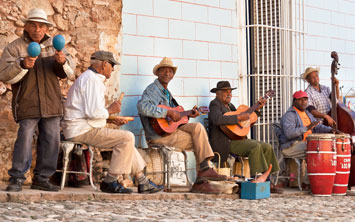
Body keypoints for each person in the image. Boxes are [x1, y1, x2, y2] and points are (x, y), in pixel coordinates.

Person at [63, 51, 161, 194]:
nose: (113, 69)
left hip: (82, 127)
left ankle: (142, 180)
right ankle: (110, 180)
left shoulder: (90, 78)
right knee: (127, 138)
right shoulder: (92, 80)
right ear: (104, 64)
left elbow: (89, 112)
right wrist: (110, 110)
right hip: (81, 130)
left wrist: (111, 119)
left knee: (126, 141)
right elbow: (93, 113)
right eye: (112, 65)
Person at [0, 8, 75, 192]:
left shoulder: (55, 46)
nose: (37, 29)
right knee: (24, 139)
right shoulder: (15, 47)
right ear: (26, 26)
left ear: (46, 28)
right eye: (33, 25)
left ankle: (42, 178)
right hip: (27, 102)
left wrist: (62, 61)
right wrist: (21, 65)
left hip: (51, 102)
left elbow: (70, 74)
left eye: (41, 26)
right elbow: (4, 75)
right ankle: (17, 178)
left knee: (51, 140)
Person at [137, 57, 227, 187]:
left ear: (173, 75)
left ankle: (204, 171)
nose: (167, 73)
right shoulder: (152, 90)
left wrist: (189, 114)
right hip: (159, 136)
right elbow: (142, 107)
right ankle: (203, 176)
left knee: (197, 127)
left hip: (170, 132)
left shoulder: (167, 93)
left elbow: (174, 118)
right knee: (199, 141)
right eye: (164, 70)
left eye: (170, 71)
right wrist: (167, 113)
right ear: (158, 73)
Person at [208, 81, 281, 192]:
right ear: (217, 93)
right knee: (255, 147)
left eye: (230, 91)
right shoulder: (215, 104)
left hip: (236, 139)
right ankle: (257, 179)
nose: (229, 94)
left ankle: (268, 181)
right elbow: (217, 119)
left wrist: (257, 109)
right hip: (224, 142)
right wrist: (238, 117)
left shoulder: (231, 106)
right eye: (225, 91)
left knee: (267, 147)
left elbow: (244, 120)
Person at [278, 90, 333, 158]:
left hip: (306, 143)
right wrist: (307, 128)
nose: (303, 102)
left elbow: (317, 127)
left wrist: (331, 130)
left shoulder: (307, 113)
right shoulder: (290, 115)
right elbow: (289, 133)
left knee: (326, 146)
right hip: (291, 146)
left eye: (305, 99)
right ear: (294, 101)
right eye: (300, 100)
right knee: (317, 148)